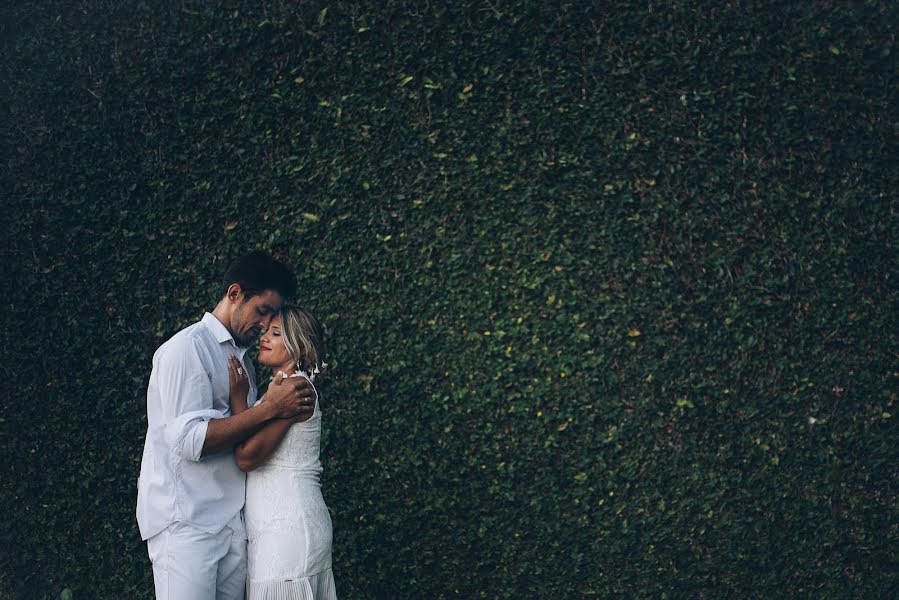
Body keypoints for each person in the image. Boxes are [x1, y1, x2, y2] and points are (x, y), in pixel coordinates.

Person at [136, 251, 318, 600]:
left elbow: (244, 440)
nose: (264, 324)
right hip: (187, 525)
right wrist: (268, 410)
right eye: (262, 311)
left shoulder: (244, 361)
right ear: (234, 293)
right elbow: (189, 443)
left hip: (232, 525)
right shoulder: (185, 349)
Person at [227, 305, 337, 599]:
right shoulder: (282, 388)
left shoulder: (295, 388)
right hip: (281, 529)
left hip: (288, 530)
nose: (265, 337)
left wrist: (239, 399)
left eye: (276, 333)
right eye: (267, 331)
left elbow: (247, 457)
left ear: (297, 346)